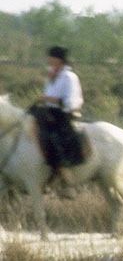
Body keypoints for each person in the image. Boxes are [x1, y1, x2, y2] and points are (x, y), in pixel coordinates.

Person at [34, 46, 86, 188]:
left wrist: (50, 99)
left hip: (64, 114)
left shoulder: (69, 77)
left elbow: (72, 101)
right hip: (49, 112)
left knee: (53, 138)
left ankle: (64, 174)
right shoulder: (51, 75)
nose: (49, 60)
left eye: (52, 57)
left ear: (59, 59)